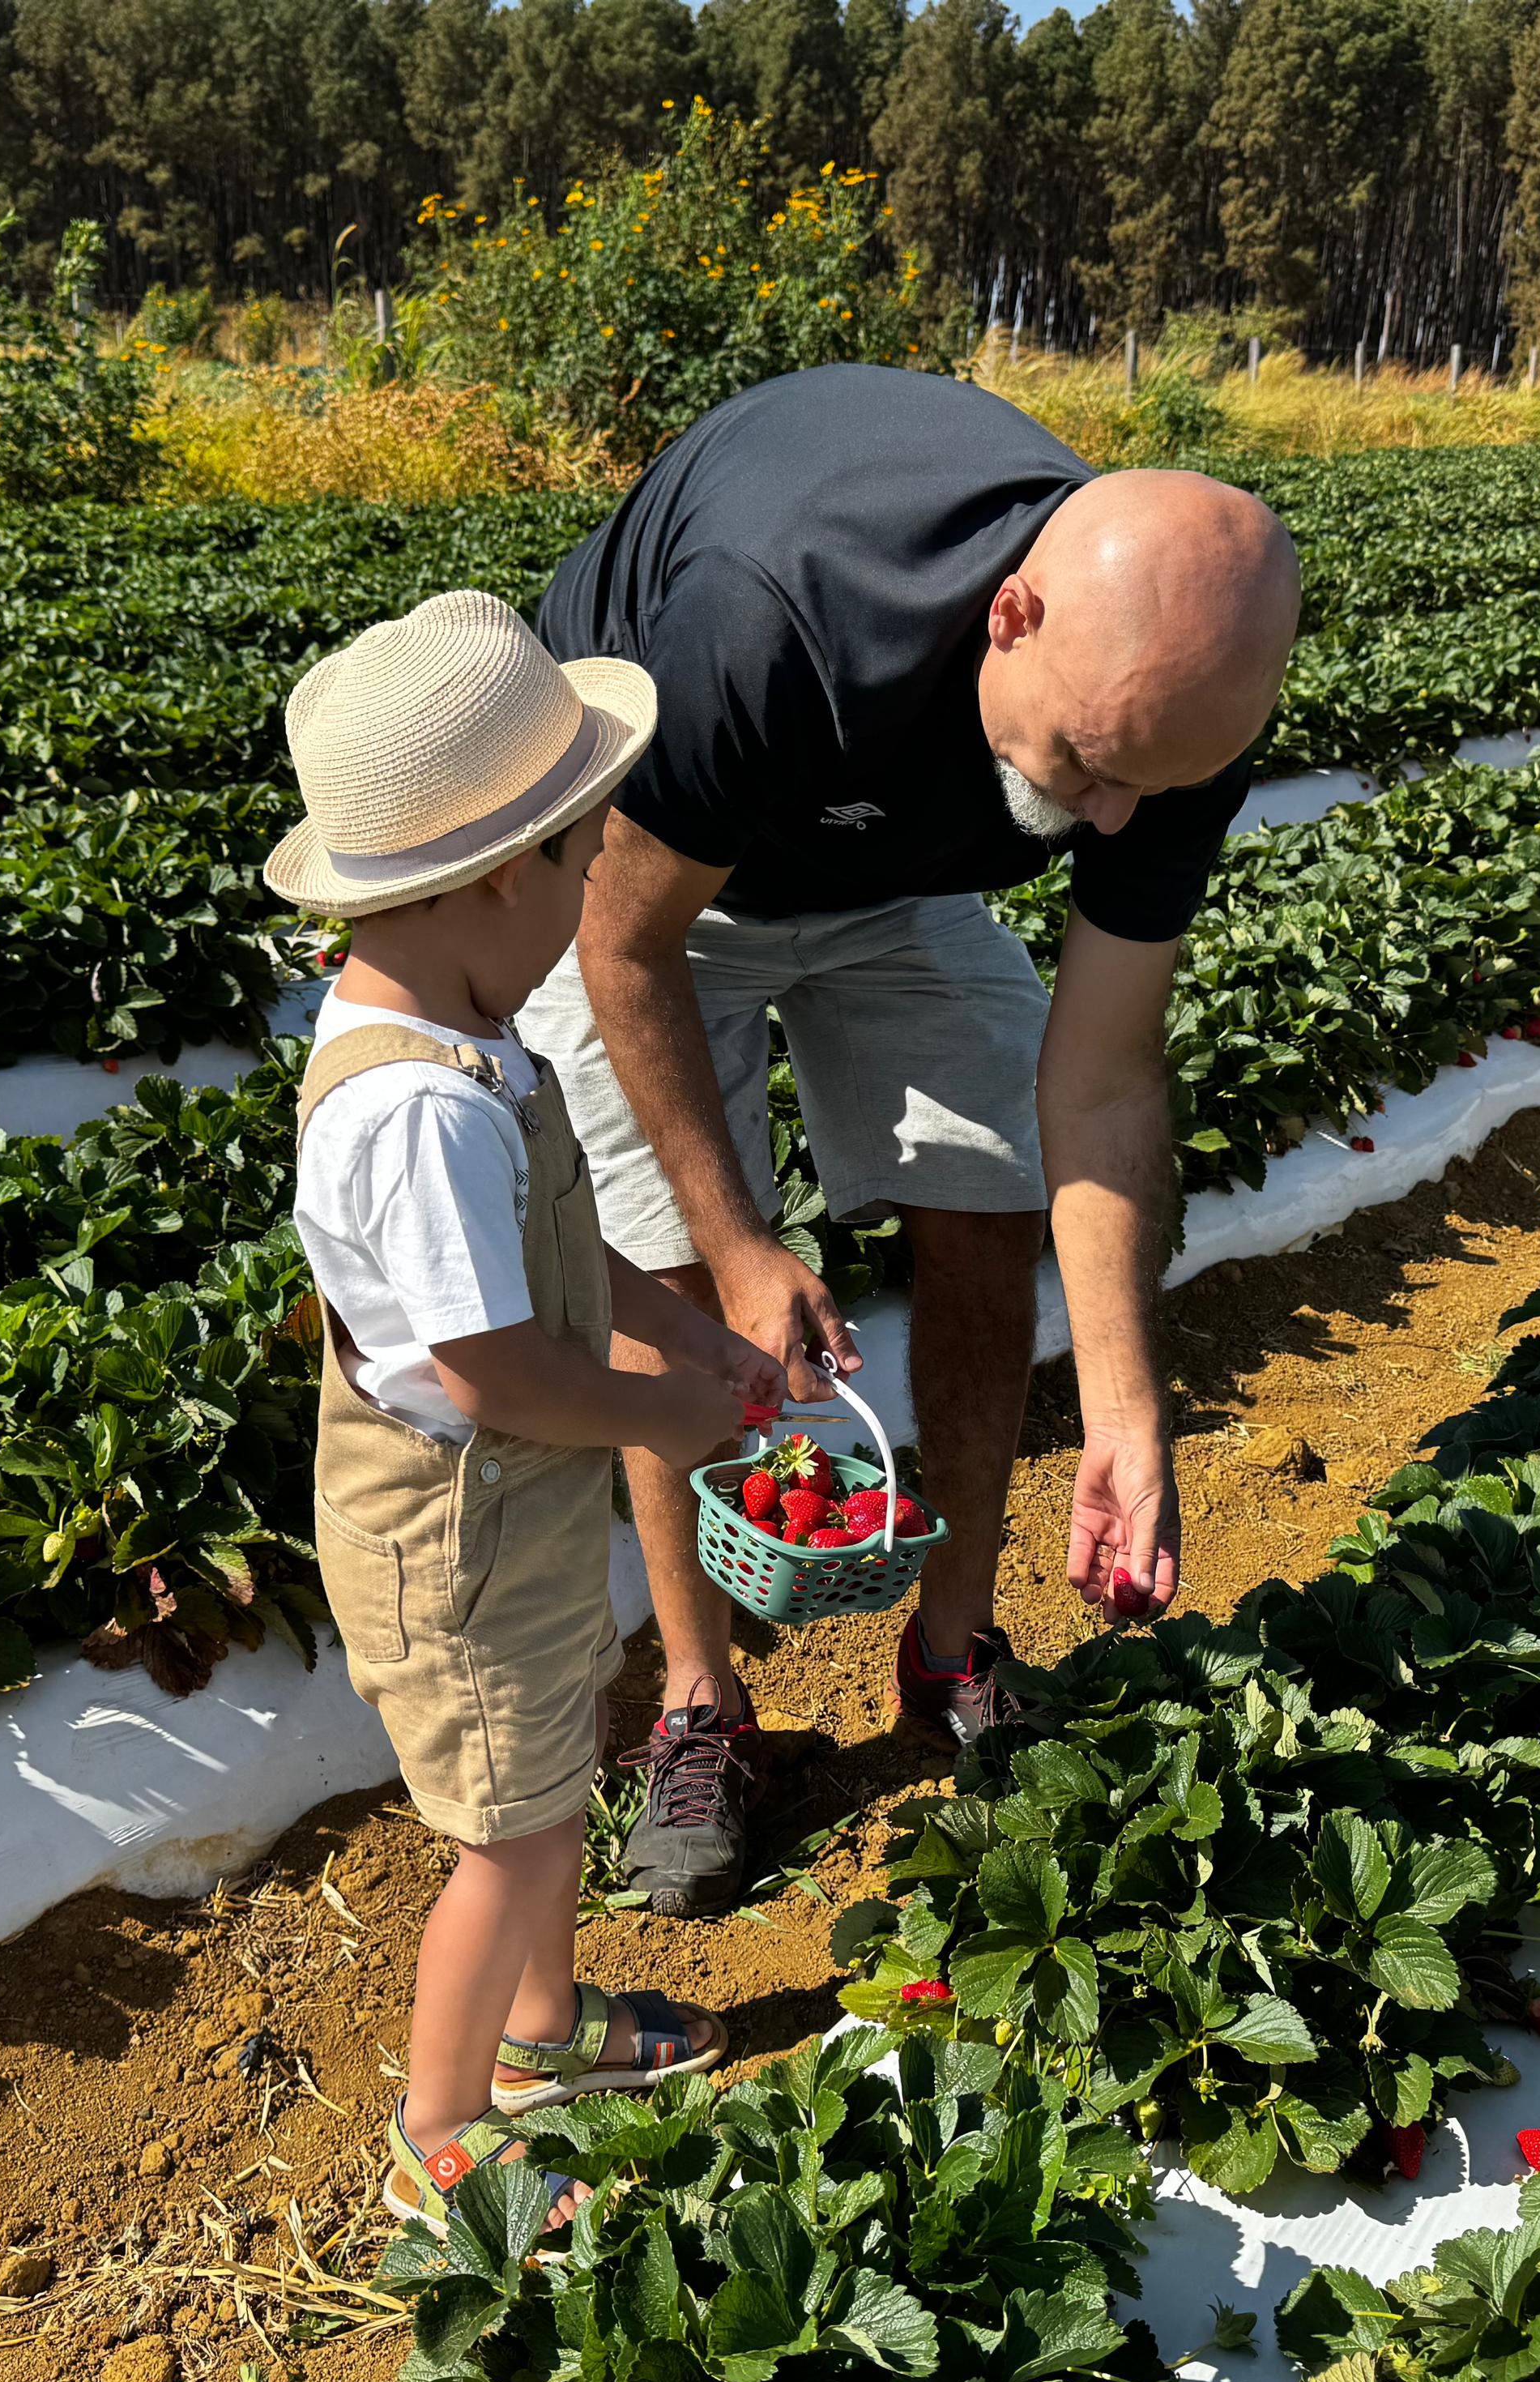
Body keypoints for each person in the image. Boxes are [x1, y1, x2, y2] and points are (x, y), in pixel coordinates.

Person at [524, 365, 1303, 1915]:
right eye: (1085, 767)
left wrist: (1129, 1410)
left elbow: (1099, 1076)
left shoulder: (1174, 717)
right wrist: (747, 1251)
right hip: (647, 859)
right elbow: (624, 947)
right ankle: (701, 1707)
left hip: (890, 872)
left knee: (987, 1203)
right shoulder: (778, 619)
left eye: (1159, 785)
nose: (1115, 821)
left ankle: (950, 1647)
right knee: (669, 1283)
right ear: (1012, 616)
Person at [269, 588, 783, 2229]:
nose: (591, 887)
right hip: (455, 1524)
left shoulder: (467, 1038)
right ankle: (442, 2127)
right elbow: (491, 1369)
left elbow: (572, 1251)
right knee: (504, 1830)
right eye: (576, 857)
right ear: (500, 875)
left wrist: (684, 1347)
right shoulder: (418, 1111)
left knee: (551, 1776)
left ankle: (547, 2033)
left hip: (514, 1497)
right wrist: (658, 1414)